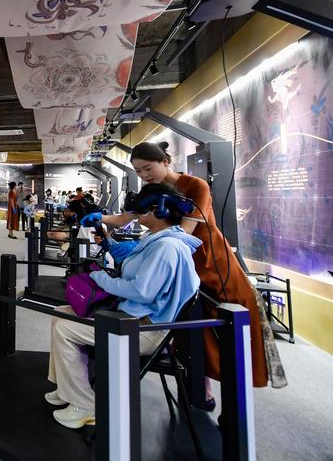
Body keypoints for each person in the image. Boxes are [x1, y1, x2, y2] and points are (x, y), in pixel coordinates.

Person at [81, 141, 286, 406]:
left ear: (165, 161)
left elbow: (182, 233)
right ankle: (199, 386)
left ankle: (225, 397)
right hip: (178, 260)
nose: (144, 175)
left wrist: (144, 251)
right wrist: (100, 218)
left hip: (208, 260)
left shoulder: (196, 187)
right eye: (139, 171)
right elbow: (127, 218)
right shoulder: (152, 191)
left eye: (148, 168)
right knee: (185, 323)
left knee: (226, 324)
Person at [46, 182, 202, 429]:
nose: (137, 214)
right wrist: (107, 241)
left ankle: (84, 405)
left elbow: (141, 290)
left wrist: (101, 279)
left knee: (66, 329)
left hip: (146, 330)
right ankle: (67, 388)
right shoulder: (156, 239)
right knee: (60, 314)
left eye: (143, 209)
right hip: (132, 317)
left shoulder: (168, 247)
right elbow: (132, 263)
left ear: (159, 211)